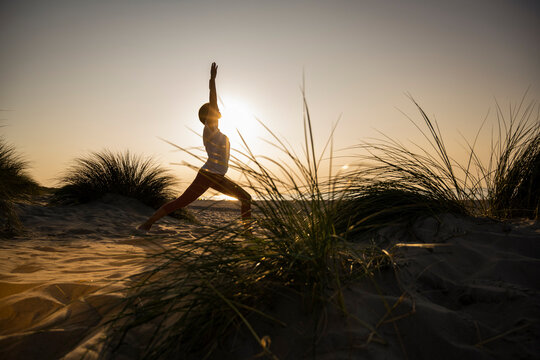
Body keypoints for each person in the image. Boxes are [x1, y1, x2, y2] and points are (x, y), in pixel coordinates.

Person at [138, 62, 252, 231]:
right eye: (214, 109)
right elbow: (213, 99)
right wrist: (212, 80)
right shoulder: (210, 129)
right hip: (207, 176)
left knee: (246, 198)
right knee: (181, 202)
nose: (218, 109)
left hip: (218, 176)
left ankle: (248, 234)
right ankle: (147, 224)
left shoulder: (217, 132)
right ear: (209, 115)